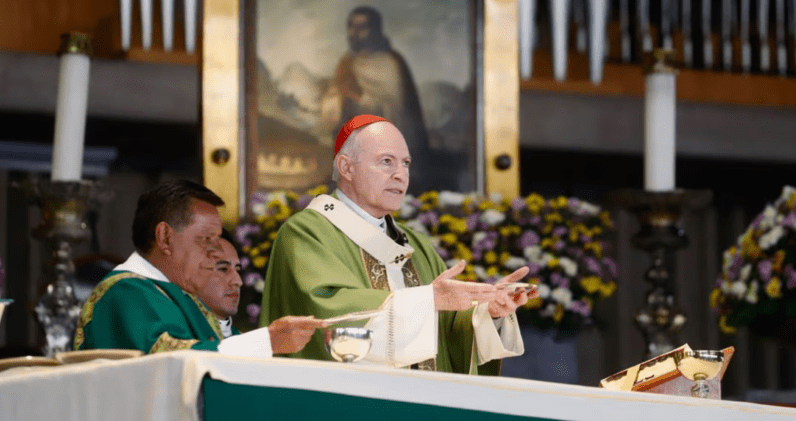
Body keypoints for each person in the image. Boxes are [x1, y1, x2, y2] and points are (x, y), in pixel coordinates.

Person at [261, 115, 538, 374]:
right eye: (386, 162)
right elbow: (327, 317)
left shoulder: (414, 244)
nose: (400, 174)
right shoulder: (307, 233)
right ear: (346, 167)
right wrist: (429, 300)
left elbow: (448, 332)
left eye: (405, 163)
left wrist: (488, 313)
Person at [74, 179, 326, 357]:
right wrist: (266, 341)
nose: (214, 253)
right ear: (164, 237)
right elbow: (167, 359)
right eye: (206, 240)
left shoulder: (182, 297)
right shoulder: (126, 292)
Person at [321, 6, 433, 193]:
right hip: (353, 148)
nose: (354, 33)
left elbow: (396, 109)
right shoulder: (346, 62)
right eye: (351, 27)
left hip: (385, 149)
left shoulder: (390, 63)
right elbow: (334, 101)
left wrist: (358, 98)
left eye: (361, 27)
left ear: (375, 30)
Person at [190, 229, 244, 338]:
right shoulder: (176, 340)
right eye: (223, 269)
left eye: (237, 270)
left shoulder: (244, 341)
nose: (238, 281)